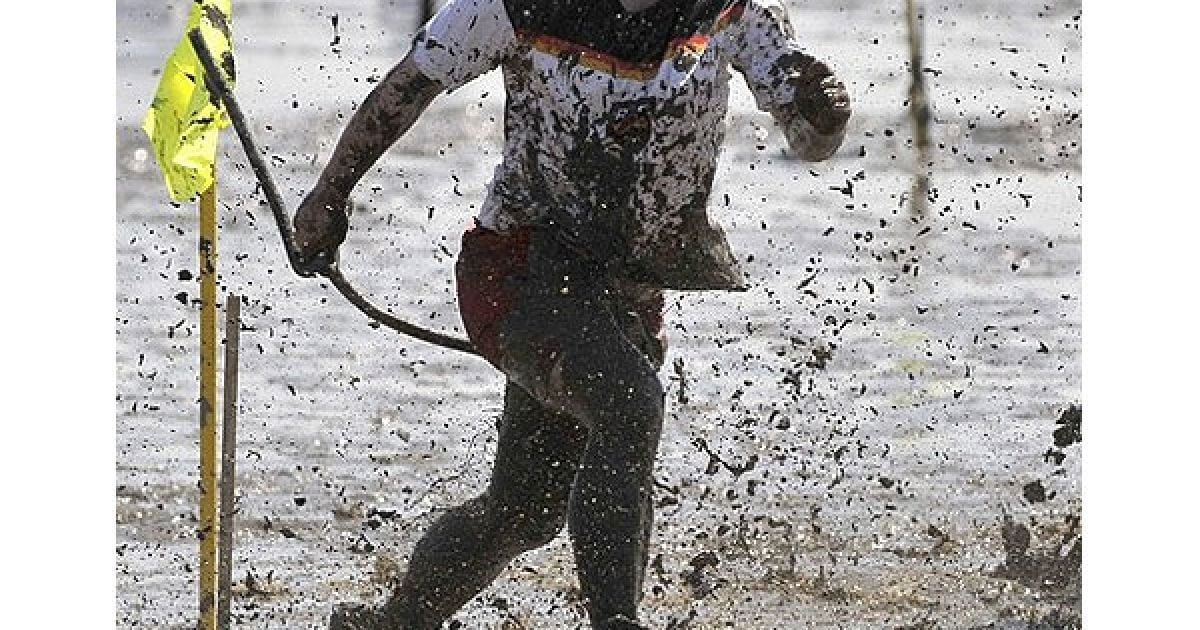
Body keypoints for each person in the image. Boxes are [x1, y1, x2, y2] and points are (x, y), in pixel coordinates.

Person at [294, 0, 850, 628]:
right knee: (629, 405)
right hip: (521, 268)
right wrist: (330, 193)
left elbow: (810, 136)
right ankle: (616, 621)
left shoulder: (732, 10)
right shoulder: (514, 6)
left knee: (526, 511)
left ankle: (392, 625)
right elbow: (410, 84)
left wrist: (826, 118)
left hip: (624, 289)